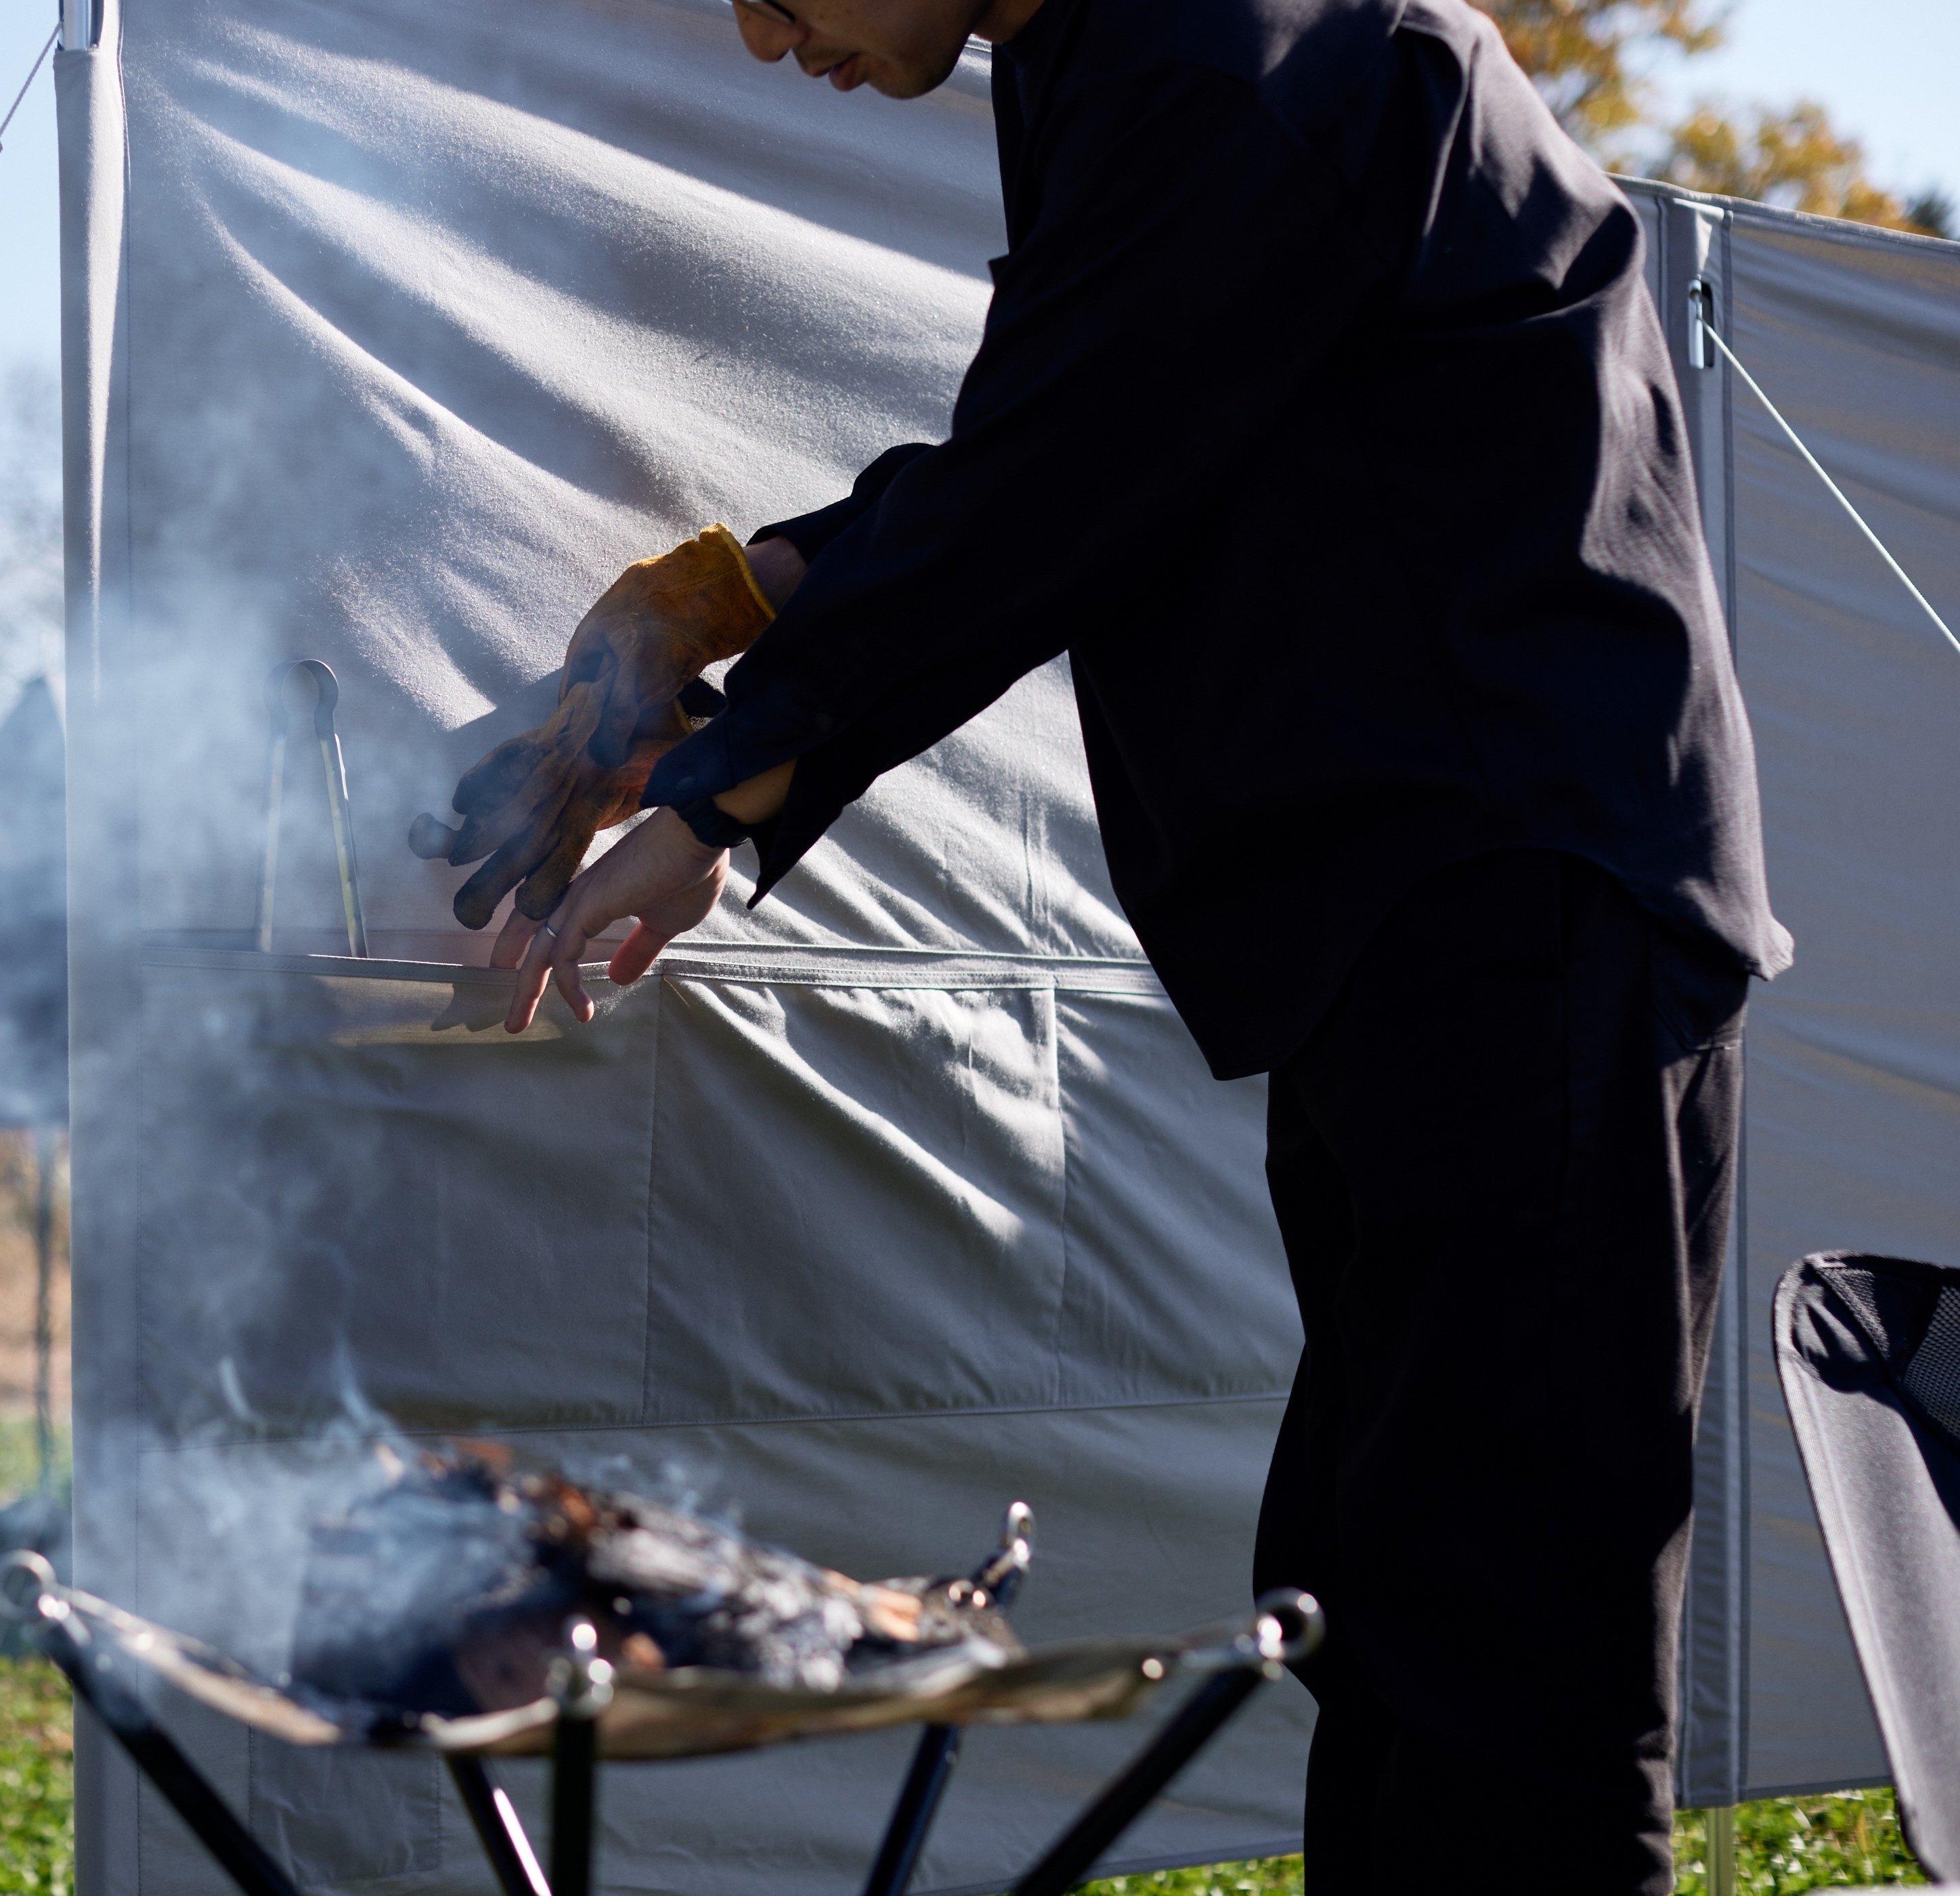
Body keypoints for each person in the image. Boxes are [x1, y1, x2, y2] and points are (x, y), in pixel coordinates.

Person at [435, 0, 1792, 1889]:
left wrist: (723, 791)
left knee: (1511, 1675)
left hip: (1523, 899)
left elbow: (1065, 472)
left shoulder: (1230, 32)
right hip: (1423, 936)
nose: (761, 29)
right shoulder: (1127, 55)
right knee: (1383, 1613)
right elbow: (1105, 407)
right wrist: (718, 612)